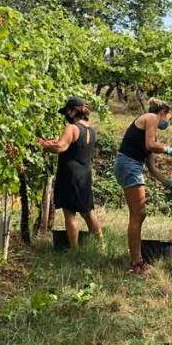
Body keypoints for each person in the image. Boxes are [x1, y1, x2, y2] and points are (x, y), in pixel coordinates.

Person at [114, 98, 172, 272]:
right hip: (129, 165)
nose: (167, 122)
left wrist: (170, 184)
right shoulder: (150, 117)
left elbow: (152, 168)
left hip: (132, 166)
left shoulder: (152, 130)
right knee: (138, 214)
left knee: (139, 214)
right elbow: (151, 145)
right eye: (169, 117)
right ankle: (136, 262)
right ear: (163, 111)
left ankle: (137, 260)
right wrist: (170, 150)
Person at [39, 96, 103, 249]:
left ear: (74, 111)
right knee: (88, 211)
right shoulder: (91, 130)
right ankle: (101, 245)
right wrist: (55, 141)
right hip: (85, 175)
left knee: (70, 213)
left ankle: (74, 249)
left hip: (70, 175)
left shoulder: (72, 128)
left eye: (67, 111)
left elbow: (61, 147)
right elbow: (73, 145)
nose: (66, 115)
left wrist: (43, 145)